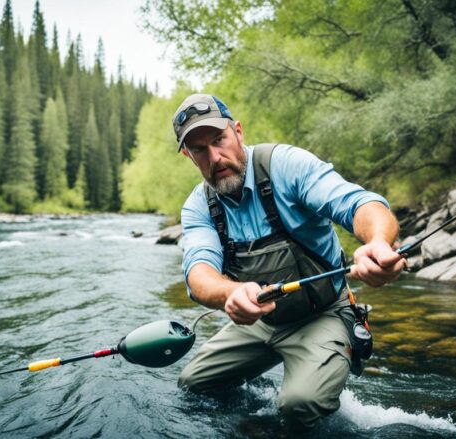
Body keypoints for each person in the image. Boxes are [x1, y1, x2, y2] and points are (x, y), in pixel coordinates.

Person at [173, 93, 404, 429]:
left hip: (323, 313)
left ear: (238, 132)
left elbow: (359, 205)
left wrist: (379, 243)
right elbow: (199, 272)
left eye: (219, 139)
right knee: (194, 386)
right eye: (199, 149)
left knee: (299, 405)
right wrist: (229, 294)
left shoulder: (285, 165)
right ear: (188, 156)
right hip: (261, 323)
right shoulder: (198, 206)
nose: (215, 156)